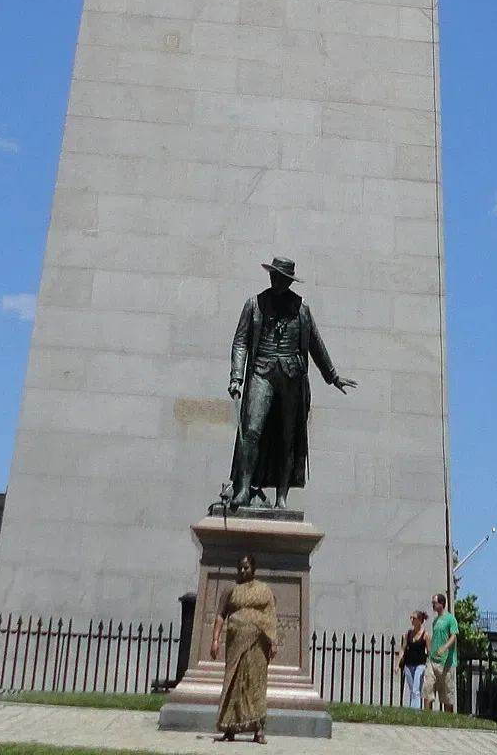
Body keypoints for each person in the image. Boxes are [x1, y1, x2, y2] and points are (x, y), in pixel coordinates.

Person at [227, 259, 355, 509]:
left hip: (292, 377)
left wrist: (333, 376)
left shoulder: (301, 308)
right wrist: (236, 377)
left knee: (288, 437)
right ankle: (243, 488)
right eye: (274, 276)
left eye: (281, 278)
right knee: (251, 431)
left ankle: (281, 497)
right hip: (261, 372)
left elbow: (316, 343)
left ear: (288, 281)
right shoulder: (254, 304)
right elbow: (241, 341)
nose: (275, 281)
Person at [211, 552, 277, 744]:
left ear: (253, 568)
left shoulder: (264, 590)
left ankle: (258, 730)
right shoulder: (231, 589)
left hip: (258, 644)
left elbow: (271, 615)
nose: (242, 570)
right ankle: (229, 728)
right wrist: (215, 640)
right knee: (233, 683)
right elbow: (220, 614)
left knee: (255, 685)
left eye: (246, 567)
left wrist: (273, 641)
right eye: (240, 567)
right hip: (235, 644)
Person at [424, 592, 458, 712]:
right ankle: (427, 715)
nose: (433, 605)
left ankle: (448, 718)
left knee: (446, 694)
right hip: (432, 660)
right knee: (428, 688)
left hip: (445, 662)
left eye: (435, 602)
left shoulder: (450, 619)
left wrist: (445, 647)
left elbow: (454, 636)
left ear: (441, 603)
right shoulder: (435, 621)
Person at [398, 610, 428, 709]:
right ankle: (415, 707)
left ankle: (415, 709)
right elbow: (403, 648)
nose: (412, 620)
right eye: (411, 618)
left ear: (419, 620)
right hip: (408, 664)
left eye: (414, 618)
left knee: (416, 688)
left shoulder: (425, 635)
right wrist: (397, 664)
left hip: (420, 665)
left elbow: (429, 651)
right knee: (412, 689)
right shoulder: (408, 633)